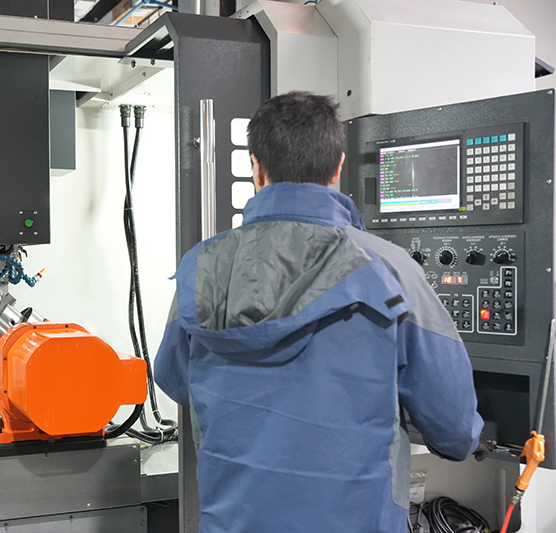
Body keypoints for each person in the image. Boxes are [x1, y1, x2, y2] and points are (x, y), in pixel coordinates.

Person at [153, 91, 484, 533]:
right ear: (337, 168)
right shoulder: (390, 271)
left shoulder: (202, 265)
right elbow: (455, 430)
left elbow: (174, 379)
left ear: (256, 167)